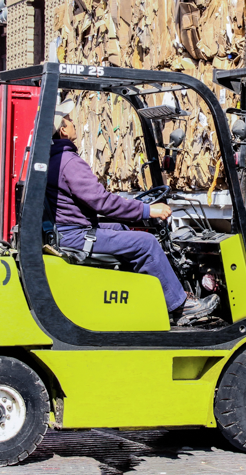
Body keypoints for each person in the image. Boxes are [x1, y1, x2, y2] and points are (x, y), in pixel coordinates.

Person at [45, 98, 219, 325]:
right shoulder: (69, 162)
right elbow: (101, 202)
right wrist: (147, 210)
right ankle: (180, 306)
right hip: (75, 235)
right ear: (62, 130)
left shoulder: (54, 160)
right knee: (146, 243)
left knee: (122, 227)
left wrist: (135, 210)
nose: (73, 122)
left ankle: (145, 296)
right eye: (68, 119)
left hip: (67, 230)